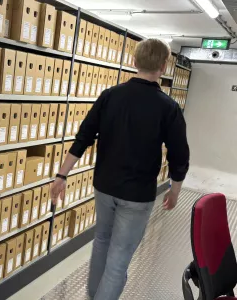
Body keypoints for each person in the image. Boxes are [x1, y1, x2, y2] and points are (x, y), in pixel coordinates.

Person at [50, 39, 190, 300]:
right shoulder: (168, 107)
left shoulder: (110, 96)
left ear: (133, 62)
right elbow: (179, 155)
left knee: (101, 244)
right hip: (137, 195)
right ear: (163, 66)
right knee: (119, 259)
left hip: (104, 187)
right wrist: (175, 189)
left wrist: (61, 175)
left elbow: (83, 137)